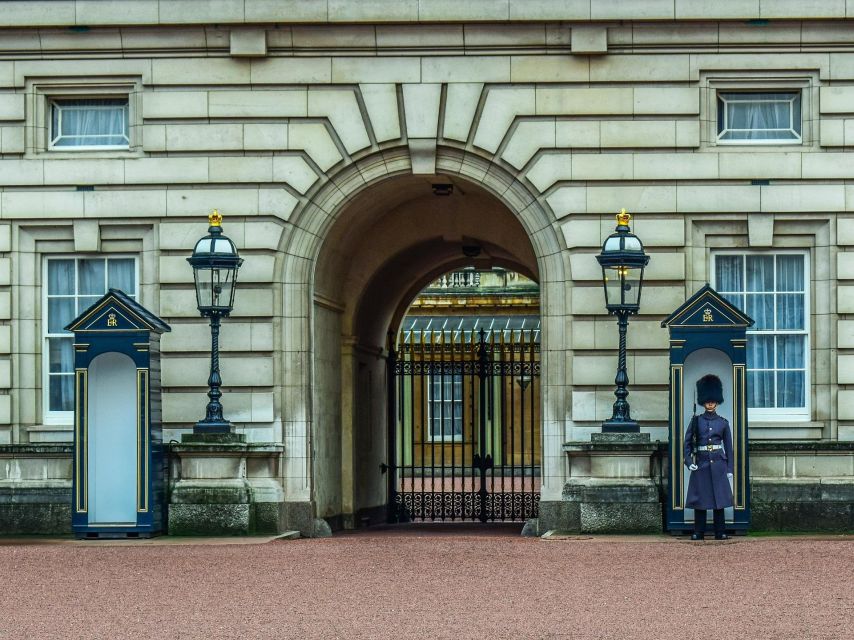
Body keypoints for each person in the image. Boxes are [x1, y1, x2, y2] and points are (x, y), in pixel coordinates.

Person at [684, 374, 734, 540]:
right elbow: (687, 444)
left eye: (713, 400)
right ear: (703, 401)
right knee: (701, 500)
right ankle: (699, 531)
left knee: (719, 499)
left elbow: (729, 448)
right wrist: (689, 461)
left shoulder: (723, 422)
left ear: (717, 401)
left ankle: (720, 531)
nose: (710, 402)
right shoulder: (696, 421)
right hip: (702, 463)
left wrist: (729, 468)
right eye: (708, 400)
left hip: (719, 463)